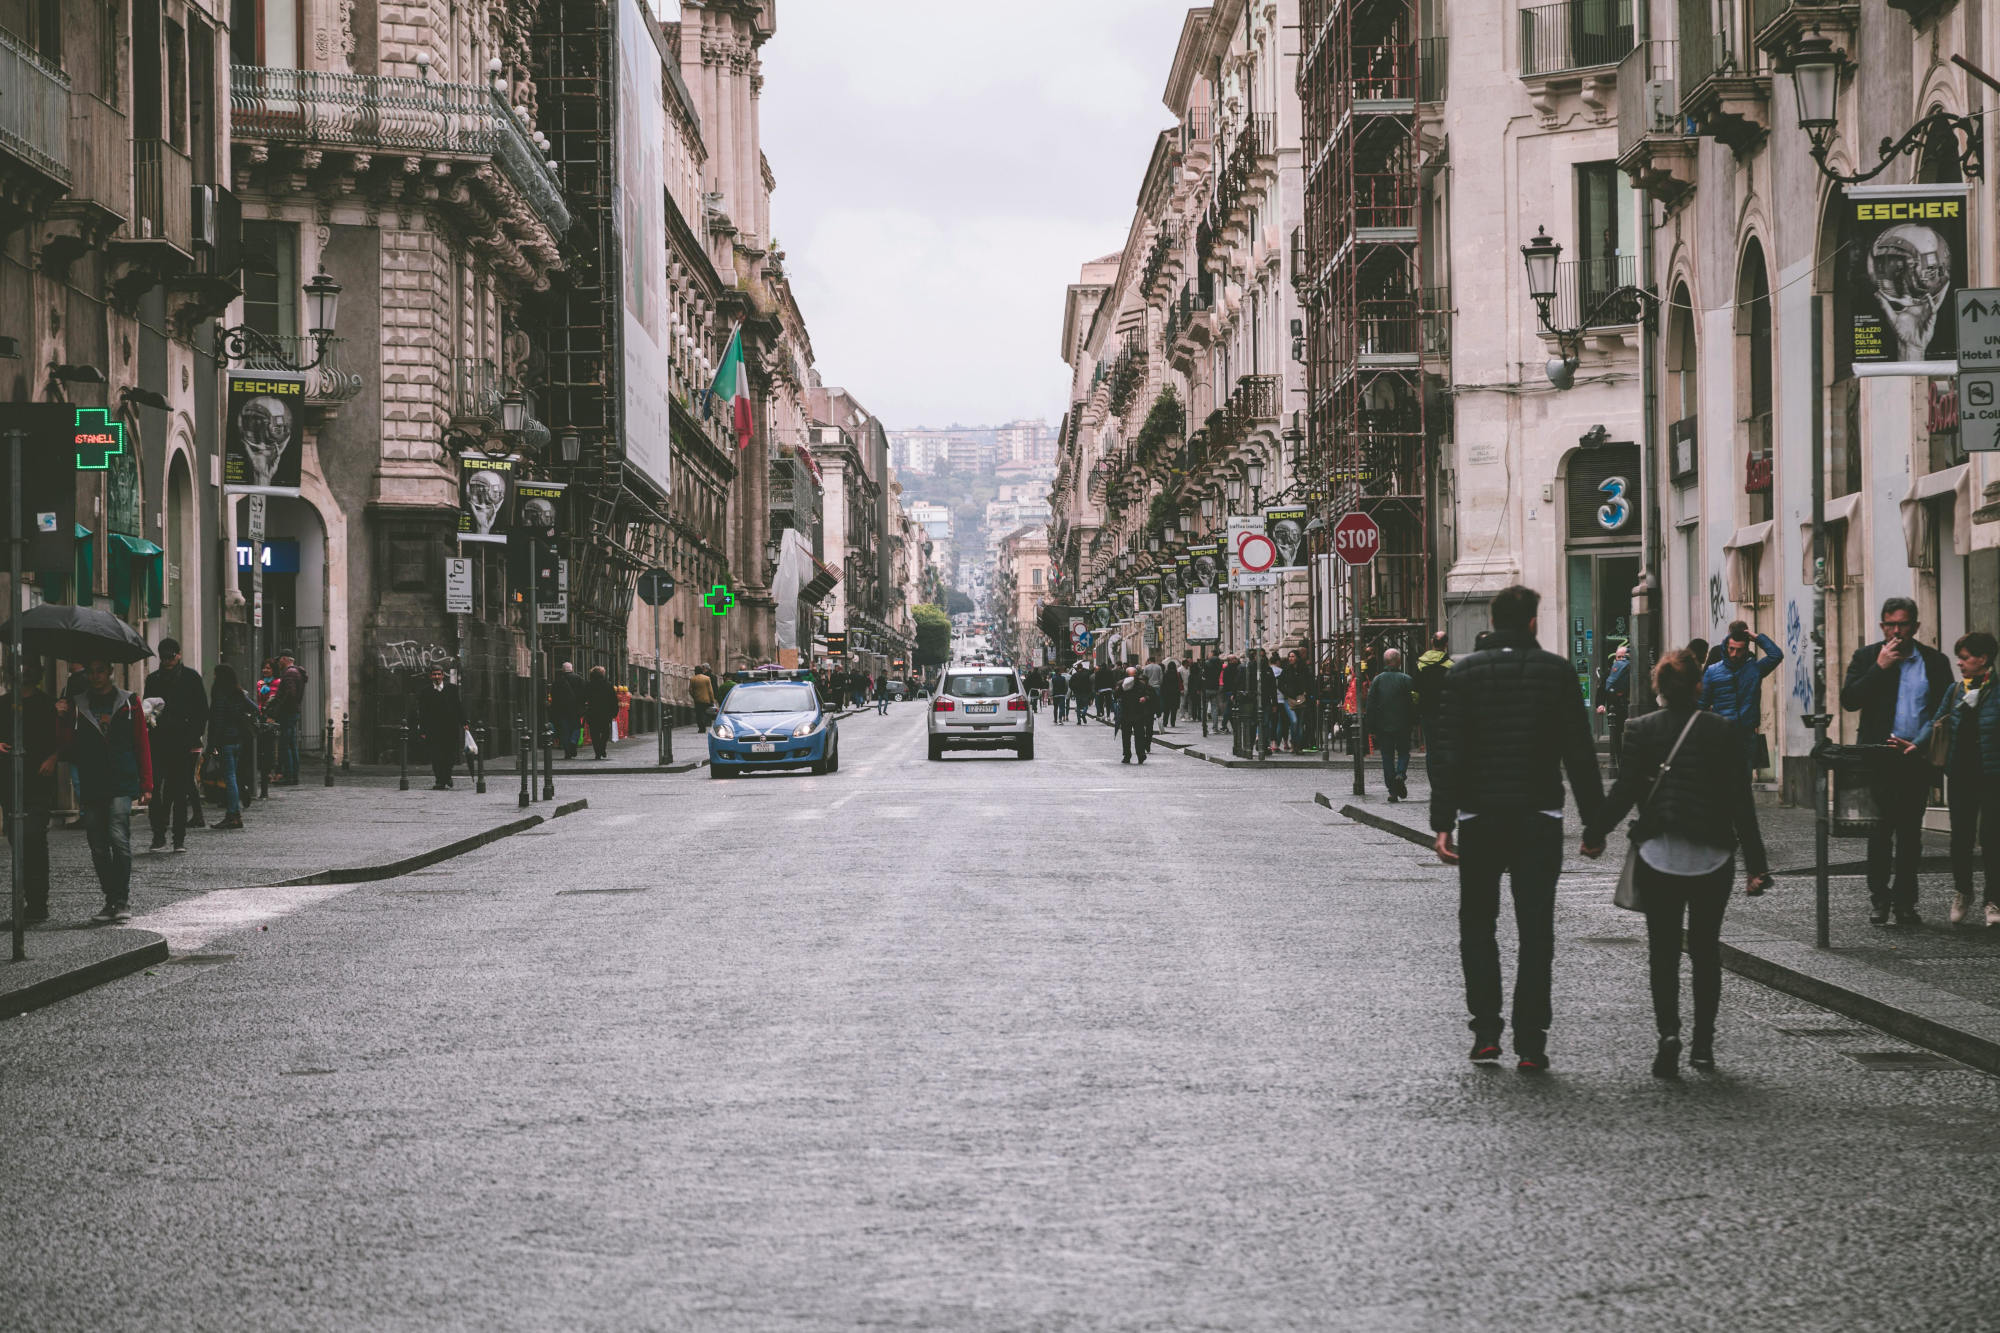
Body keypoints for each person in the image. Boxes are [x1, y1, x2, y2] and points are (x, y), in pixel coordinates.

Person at [1430, 585, 1603, 1071]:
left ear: (1492, 619)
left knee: (1477, 926)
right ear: (1532, 622)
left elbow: (1448, 753)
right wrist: (1595, 824)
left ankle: (1486, 1032)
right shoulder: (1556, 672)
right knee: (1536, 930)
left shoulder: (1463, 674)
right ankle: (1531, 1041)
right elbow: (1579, 753)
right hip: (1538, 816)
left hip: (1480, 817)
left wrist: (1442, 822)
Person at [1582, 650, 1773, 1078]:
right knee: (1706, 952)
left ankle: (1668, 1034)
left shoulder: (1641, 729)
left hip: (1659, 855)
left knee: (1663, 952)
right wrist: (1756, 865)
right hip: (1713, 856)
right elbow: (1740, 802)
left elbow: (1626, 791)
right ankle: (1703, 1047)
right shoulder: (1722, 730)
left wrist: (1595, 833)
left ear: (1659, 688)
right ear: (1699, 686)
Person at [1841, 596, 1952, 925]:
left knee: (1909, 835)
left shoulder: (1934, 661)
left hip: (1914, 757)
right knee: (1878, 833)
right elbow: (1850, 700)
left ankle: (1905, 902)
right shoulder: (1866, 657)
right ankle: (1879, 898)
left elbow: (1944, 710)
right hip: (1878, 758)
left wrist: (1921, 743)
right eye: (1890, 625)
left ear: (1915, 626)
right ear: (1881, 626)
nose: (1896, 632)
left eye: (1903, 624)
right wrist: (1879, 667)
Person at [1914, 632, 2000, 929]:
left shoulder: (1998, 691)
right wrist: (1916, 744)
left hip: (1992, 775)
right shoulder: (1955, 690)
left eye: (1964, 658)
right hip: (1961, 774)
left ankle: (1994, 899)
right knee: (1960, 839)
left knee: (1992, 838)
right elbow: (1937, 721)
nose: (1960, 663)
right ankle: (1963, 891)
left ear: (1983, 659)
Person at [59, 659, 154, 925]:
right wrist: (62, 717)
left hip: (121, 779)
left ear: (110, 672)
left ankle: (121, 900)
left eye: (100, 670)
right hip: (93, 780)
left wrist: (147, 783)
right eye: (91, 671)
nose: (96, 676)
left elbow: (141, 741)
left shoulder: (129, 702)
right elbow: (67, 745)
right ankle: (111, 899)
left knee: (118, 837)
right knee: (98, 845)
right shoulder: (77, 704)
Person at [0, 661, 60, 927]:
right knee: (17, 839)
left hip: (38, 780)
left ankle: (38, 902)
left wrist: (53, 757)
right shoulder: (4, 704)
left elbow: (61, 738)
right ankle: (28, 901)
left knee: (34, 836)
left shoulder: (48, 705)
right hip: (10, 780)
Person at [143, 637, 208, 852]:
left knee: (179, 791)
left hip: (183, 742)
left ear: (178, 655)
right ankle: (158, 833)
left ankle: (178, 838)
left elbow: (201, 710)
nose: (167, 661)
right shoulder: (154, 679)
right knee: (155, 789)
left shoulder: (191, 678)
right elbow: (147, 706)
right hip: (158, 741)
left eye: (170, 657)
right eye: (164, 658)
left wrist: (193, 736)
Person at [1699, 621, 1781, 770]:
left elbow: (1776, 655)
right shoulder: (1712, 671)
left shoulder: (1754, 669)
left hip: (1746, 734)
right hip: (1721, 733)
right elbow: (1701, 704)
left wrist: (1757, 638)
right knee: (1723, 775)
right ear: (1726, 646)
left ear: (1746, 649)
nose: (1734, 654)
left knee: (1744, 777)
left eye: (1739, 650)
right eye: (1731, 649)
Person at [205, 664, 257, 830]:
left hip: (225, 740)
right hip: (238, 739)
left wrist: (211, 744)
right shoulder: (238, 693)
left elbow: (217, 720)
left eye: (215, 675)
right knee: (233, 774)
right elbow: (255, 709)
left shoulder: (219, 694)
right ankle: (234, 812)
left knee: (229, 777)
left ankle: (233, 814)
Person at [1368, 648, 1417, 800]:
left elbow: (1371, 704)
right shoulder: (1406, 679)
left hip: (1383, 725)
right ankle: (1400, 774)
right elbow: (1414, 702)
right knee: (1403, 752)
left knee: (1387, 756)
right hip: (1403, 724)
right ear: (1399, 661)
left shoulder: (1377, 680)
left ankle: (1392, 790)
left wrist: (1371, 726)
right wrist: (1414, 720)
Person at [411, 666, 467, 789]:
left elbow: (458, 706)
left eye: (438, 674)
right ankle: (439, 780)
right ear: (430, 676)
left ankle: (447, 775)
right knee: (436, 756)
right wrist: (423, 730)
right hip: (433, 729)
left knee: (450, 755)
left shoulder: (451, 689)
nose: (436, 677)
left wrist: (464, 722)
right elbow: (423, 712)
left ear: (442, 675)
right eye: (434, 674)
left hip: (450, 728)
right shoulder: (426, 692)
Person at [269, 649, 308, 784]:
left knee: (285, 745)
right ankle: (293, 775)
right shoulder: (296, 672)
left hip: (288, 713)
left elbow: (290, 694)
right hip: (293, 712)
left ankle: (289, 775)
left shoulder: (289, 673)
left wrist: (277, 708)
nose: (278, 663)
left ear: (284, 659)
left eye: (280, 660)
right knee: (291, 745)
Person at [1414, 631, 1453, 750]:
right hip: (1445, 711)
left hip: (1426, 711)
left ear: (1432, 642)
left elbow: (1415, 691)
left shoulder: (1420, 664)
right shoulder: (1451, 666)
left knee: (1430, 747)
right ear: (1446, 644)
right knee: (1445, 746)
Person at [1598, 643, 1631, 775]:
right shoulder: (1610, 672)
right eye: (1618, 657)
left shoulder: (1632, 672)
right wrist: (1600, 704)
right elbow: (1601, 691)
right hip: (1615, 709)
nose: (1620, 660)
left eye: (1623, 657)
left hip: (1628, 708)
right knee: (1616, 736)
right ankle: (1619, 764)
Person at [1116, 666, 1159, 764]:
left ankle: (1141, 755)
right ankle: (1127, 755)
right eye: (1130, 675)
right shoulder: (1121, 683)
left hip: (1138, 713)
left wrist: (1145, 698)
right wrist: (1121, 688)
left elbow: (1149, 695)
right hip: (1126, 713)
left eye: (1134, 675)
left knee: (1139, 735)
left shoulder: (1141, 685)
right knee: (1126, 736)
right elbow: (1116, 695)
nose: (1132, 677)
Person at [552, 661, 585, 759]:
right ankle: (573, 741)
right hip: (575, 709)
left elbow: (554, 695)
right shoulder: (579, 679)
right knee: (576, 728)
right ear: (572, 669)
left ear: (563, 670)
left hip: (562, 710)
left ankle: (567, 751)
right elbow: (583, 694)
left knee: (565, 730)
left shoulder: (558, 681)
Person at [584, 664, 618, 760]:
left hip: (592, 712)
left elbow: (585, 698)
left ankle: (597, 752)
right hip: (605, 713)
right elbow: (613, 700)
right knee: (605, 732)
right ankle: (602, 747)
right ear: (603, 674)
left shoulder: (589, 685)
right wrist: (614, 712)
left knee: (594, 734)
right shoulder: (608, 685)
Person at [690, 663, 717, 731]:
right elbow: (710, 690)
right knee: (705, 713)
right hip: (706, 699)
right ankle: (704, 725)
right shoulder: (707, 678)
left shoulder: (693, 679)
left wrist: (694, 696)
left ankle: (700, 727)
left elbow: (690, 690)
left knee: (699, 714)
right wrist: (712, 699)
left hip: (697, 699)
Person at [1160, 657, 1182, 729]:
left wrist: (1162, 694)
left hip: (1167, 695)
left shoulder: (1165, 675)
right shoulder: (1177, 675)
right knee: (1174, 710)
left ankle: (1165, 722)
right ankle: (1173, 723)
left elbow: (1163, 685)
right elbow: (1179, 684)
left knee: (1166, 710)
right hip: (1175, 694)